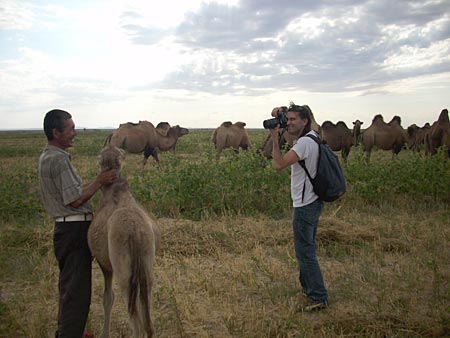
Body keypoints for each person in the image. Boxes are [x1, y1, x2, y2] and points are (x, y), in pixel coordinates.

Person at [38, 109, 118, 337]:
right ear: (56, 132)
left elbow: (71, 193)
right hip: (73, 229)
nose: (75, 132)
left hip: (66, 229)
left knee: (69, 286)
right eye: (71, 128)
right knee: (77, 291)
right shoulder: (58, 160)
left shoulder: (49, 156)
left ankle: (69, 331)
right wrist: (100, 180)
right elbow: (74, 200)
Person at [269, 103, 329, 311]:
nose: (290, 123)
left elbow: (278, 165)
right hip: (312, 202)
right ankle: (308, 288)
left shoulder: (304, 143)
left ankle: (318, 296)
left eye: (294, 119)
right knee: (305, 248)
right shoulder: (312, 137)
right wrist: (281, 117)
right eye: (289, 119)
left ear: (305, 121)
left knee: (305, 252)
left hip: (305, 204)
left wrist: (275, 140)